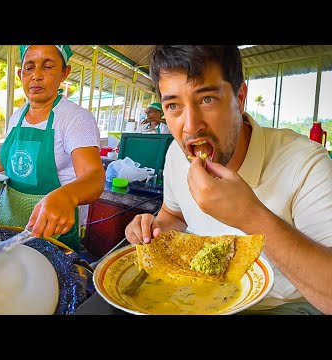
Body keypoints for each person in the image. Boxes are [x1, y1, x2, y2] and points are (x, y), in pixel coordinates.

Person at [124, 45, 332, 315]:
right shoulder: (177, 154)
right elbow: (173, 215)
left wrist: (250, 216)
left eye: (206, 99)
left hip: (282, 306)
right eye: (173, 105)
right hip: (200, 294)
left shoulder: (304, 161)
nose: (190, 126)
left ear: (240, 97)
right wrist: (154, 229)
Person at [0, 45, 105, 253]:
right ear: (21, 74)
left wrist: (67, 196)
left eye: (47, 67)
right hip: (9, 219)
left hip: (50, 229)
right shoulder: (17, 116)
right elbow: (16, 156)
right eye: (29, 68)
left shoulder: (74, 118)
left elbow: (94, 176)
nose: (36, 76)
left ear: (64, 73)